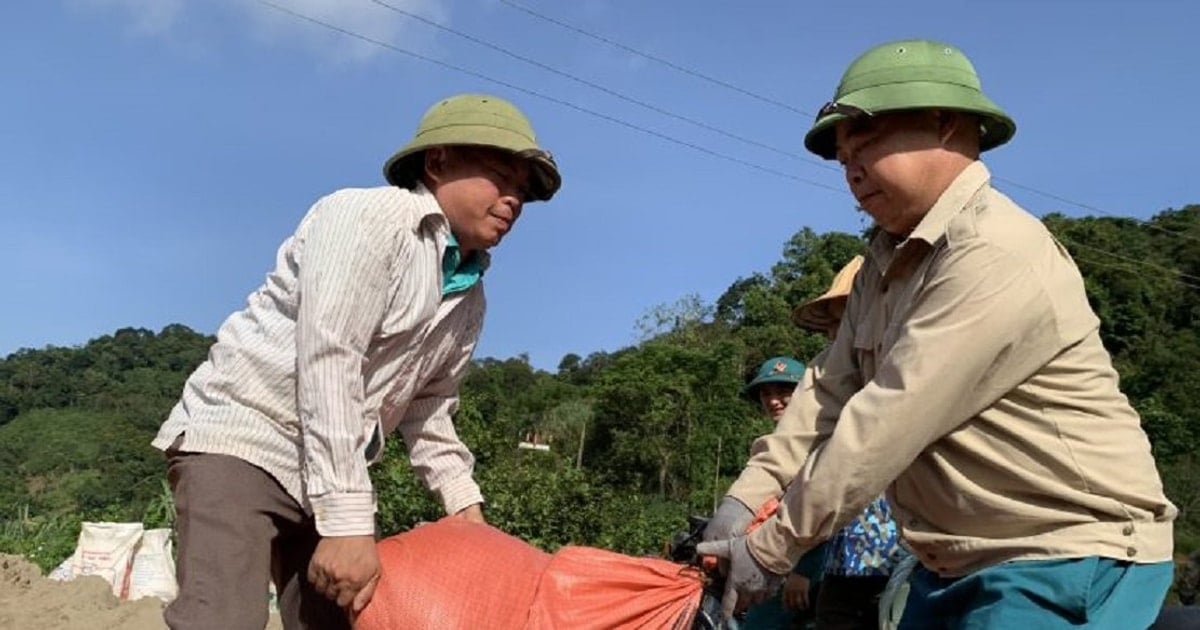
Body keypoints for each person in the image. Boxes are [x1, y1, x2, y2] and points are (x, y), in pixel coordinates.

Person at [697, 39, 1176, 629]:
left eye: (866, 141)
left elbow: (887, 420)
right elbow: (824, 392)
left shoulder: (994, 252)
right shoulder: (880, 265)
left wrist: (771, 547)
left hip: (1064, 553)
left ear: (946, 125)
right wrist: (742, 501)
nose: (850, 166)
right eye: (843, 154)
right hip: (950, 561)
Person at [151, 93, 561, 630]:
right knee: (222, 619)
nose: (513, 200)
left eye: (524, 193)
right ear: (437, 163)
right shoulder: (367, 218)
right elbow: (330, 361)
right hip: (244, 439)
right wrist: (347, 523)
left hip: (330, 472)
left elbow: (430, 409)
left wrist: (466, 511)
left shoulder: (469, 296)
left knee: (345, 618)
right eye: (500, 176)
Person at [793, 256, 907, 630]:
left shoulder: (907, 376)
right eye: (836, 323)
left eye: (850, 318)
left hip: (907, 554)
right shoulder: (832, 387)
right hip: (846, 559)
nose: (838, 335)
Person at [737, 356, 825, 630]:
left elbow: (827, 508)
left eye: (783, 391)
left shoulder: (822, 439)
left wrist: (805, 570)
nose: (773, 400)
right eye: (766, 393)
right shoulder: (775, 444)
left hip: (815, 567)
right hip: (782, 561)